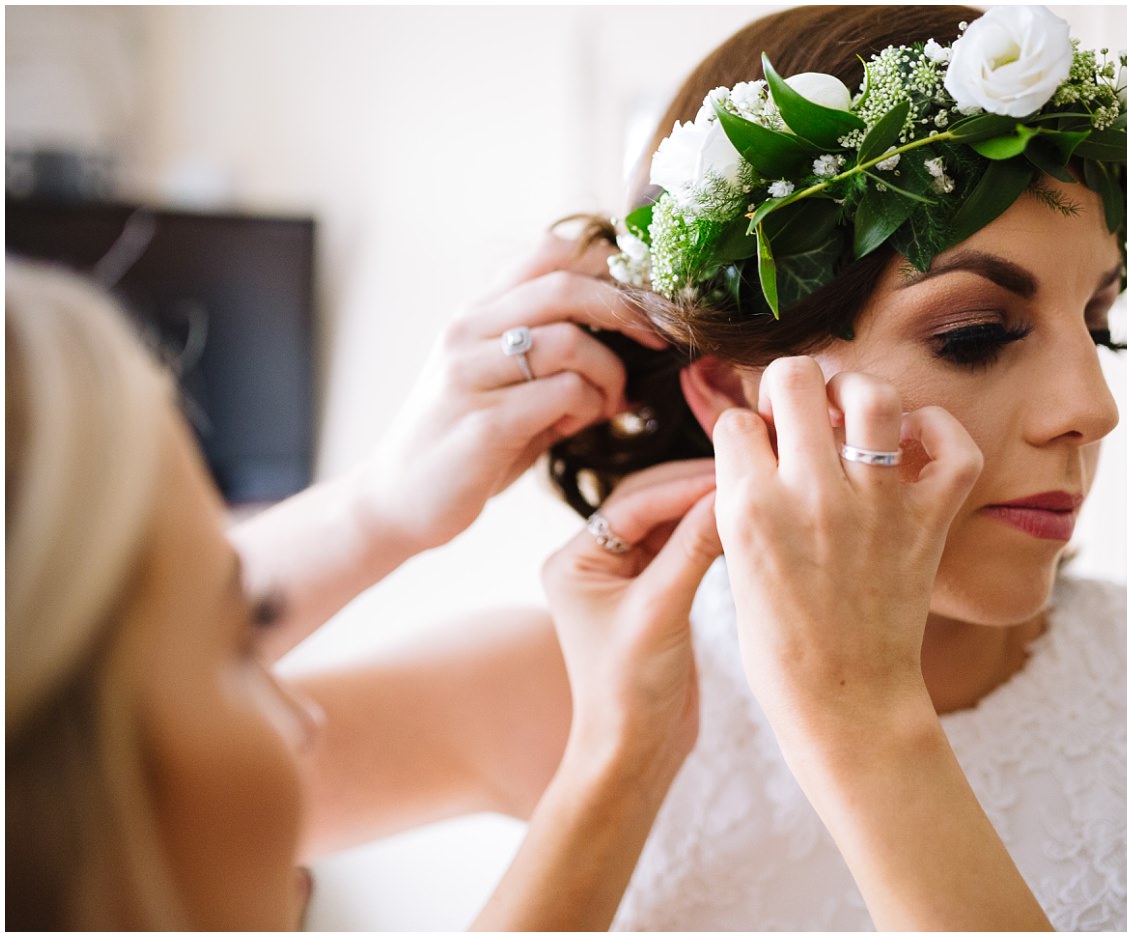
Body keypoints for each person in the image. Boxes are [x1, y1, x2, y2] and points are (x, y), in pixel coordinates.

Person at [284, 4, 1127, 931]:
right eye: (973, 333)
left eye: (1094, 321)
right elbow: (111, 805)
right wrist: (375, 513)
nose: (1089, 408)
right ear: (728, 391)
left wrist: (862, 720)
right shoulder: (583, 682)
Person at [3, 254, 725, 930]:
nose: (303, 726)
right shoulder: (567, 691)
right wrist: (621, 760)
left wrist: (379, 507)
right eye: (240, 636)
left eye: (257, 628)